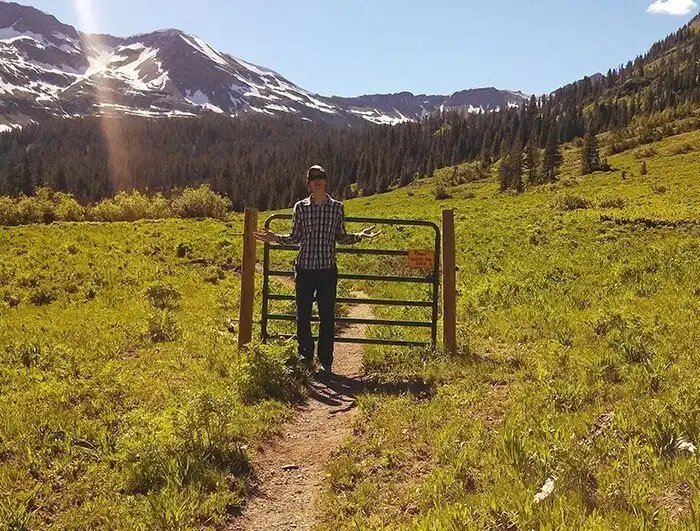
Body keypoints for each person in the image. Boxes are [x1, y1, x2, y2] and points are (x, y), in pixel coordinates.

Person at [254, 165, 379, 373]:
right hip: (305, 269)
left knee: (327, 317)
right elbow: (295, 236)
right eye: (313, 178)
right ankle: (305, 357)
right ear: (309, 184)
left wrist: (359, 236)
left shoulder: (337, 207)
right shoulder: (300, 207)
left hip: (327, 270)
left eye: (320, 177)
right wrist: (275, 238)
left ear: (326, 181)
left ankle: (325, 361)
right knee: (303, 315)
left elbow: (341, 236)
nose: (317, 181)